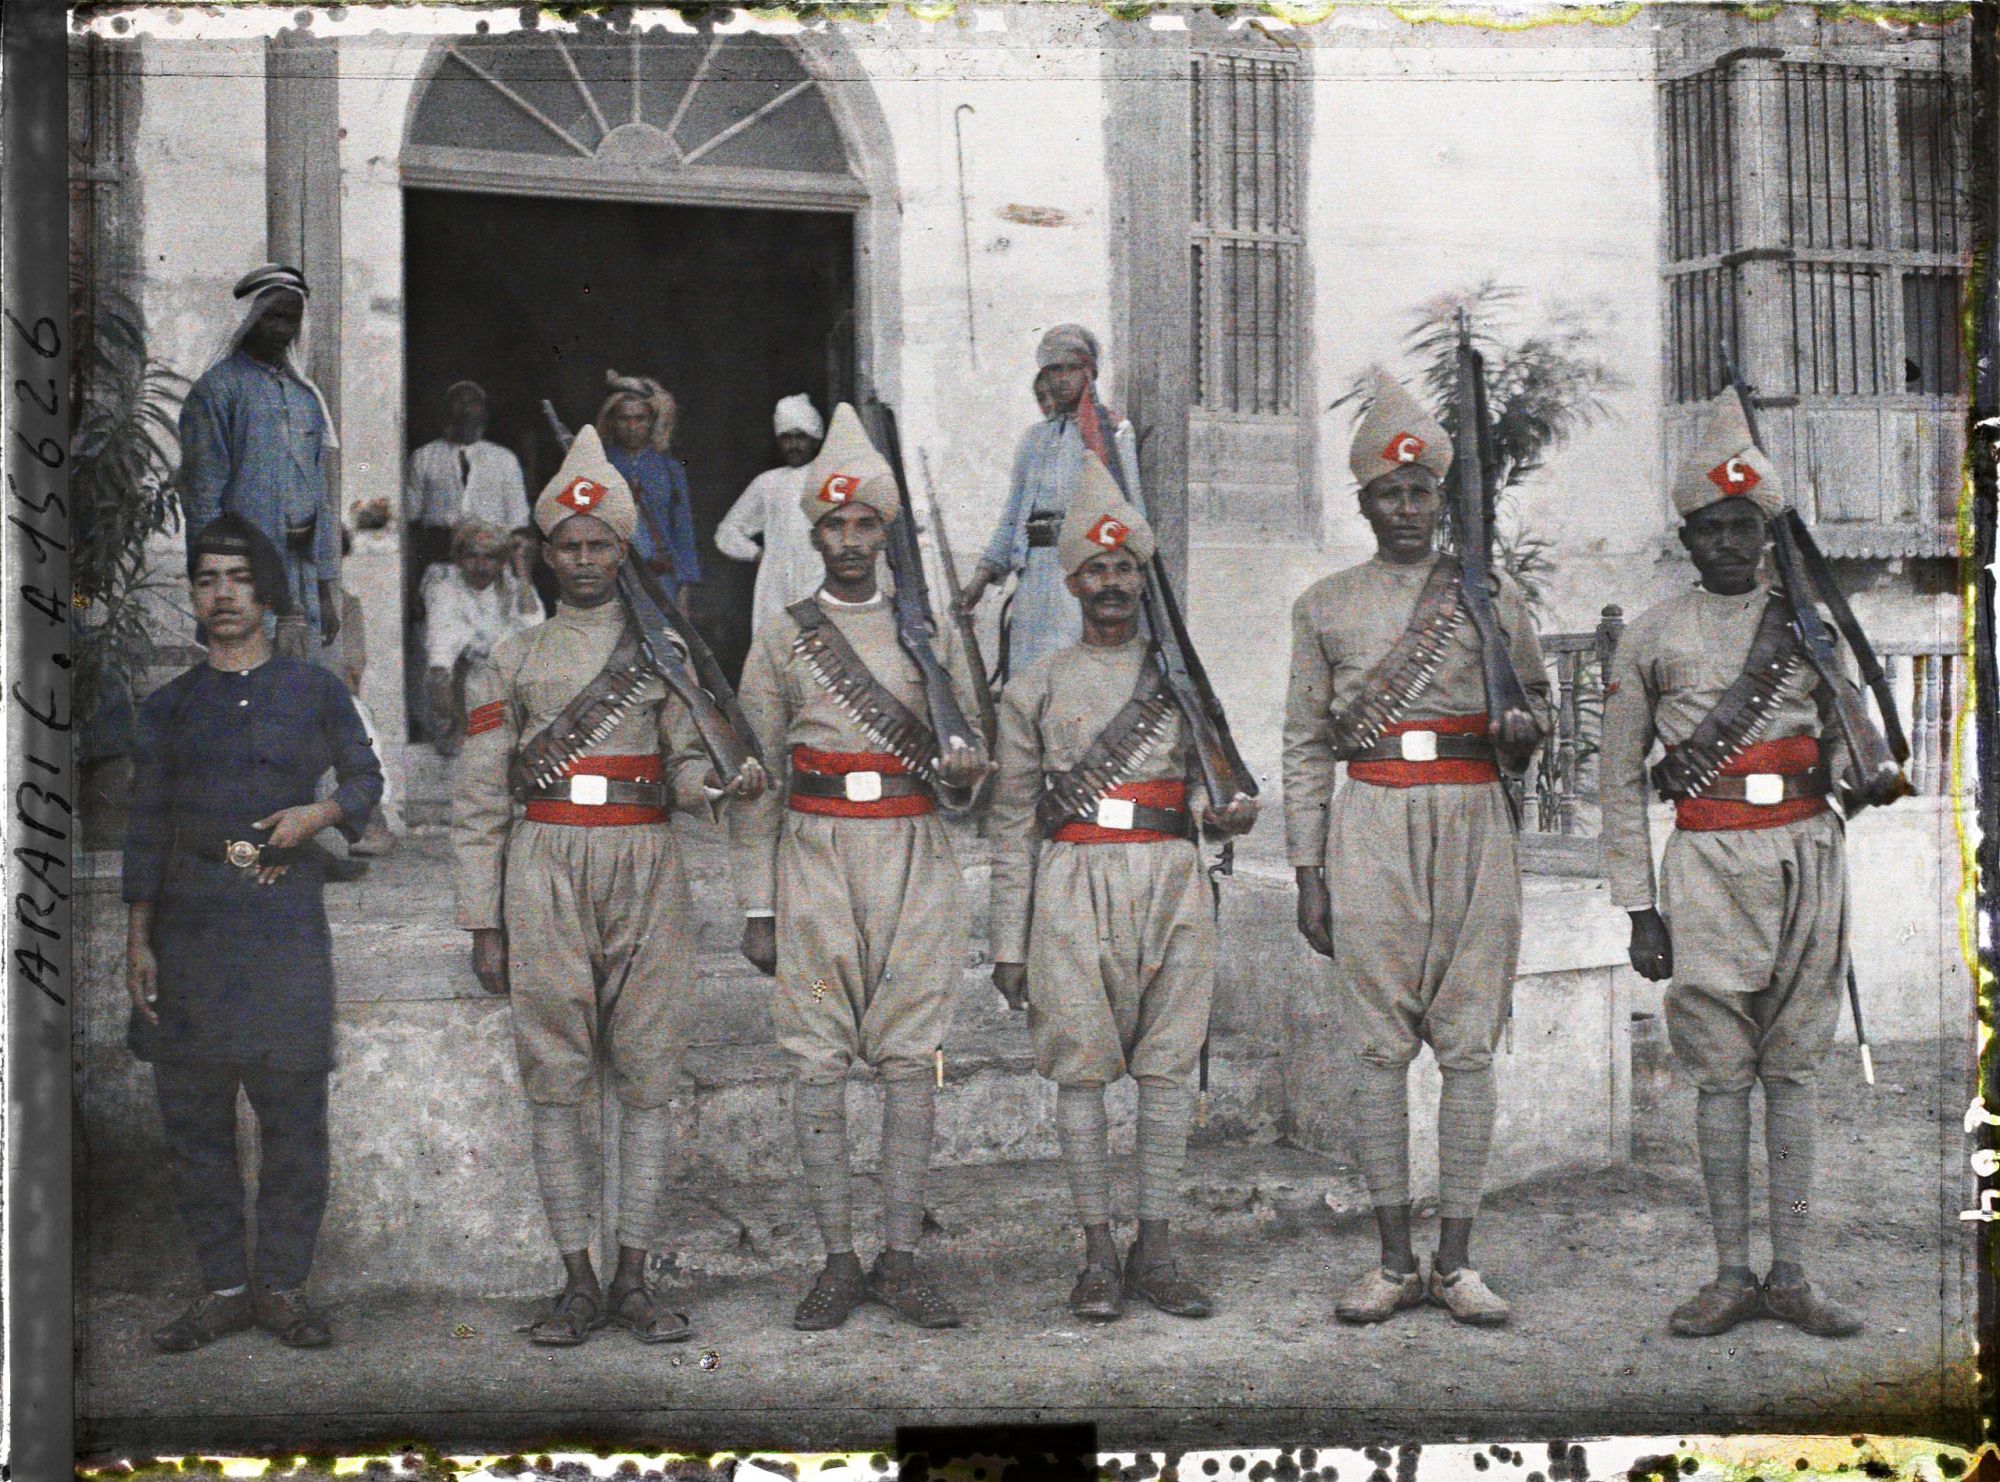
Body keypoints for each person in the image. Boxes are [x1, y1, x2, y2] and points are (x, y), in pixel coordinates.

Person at [452, 425, 763, 1347]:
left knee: (647, 1076)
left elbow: (678, 769)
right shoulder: (510, 658)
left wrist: (718, 786)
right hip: (542, 866)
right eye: (569, 546)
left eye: (601, 546)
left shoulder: (664, 653)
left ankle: (634, 1277)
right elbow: (478, 799)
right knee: (556, 1076)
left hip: (646, 867)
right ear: (542, 554)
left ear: (623, 551)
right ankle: (576, 1281)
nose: (585, 560)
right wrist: (483, 919)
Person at [1282, 372, 1551, 1328]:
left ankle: (1460, 1260)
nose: (1407, 509)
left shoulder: (1491, 595)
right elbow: (1307, 745)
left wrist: (1522, 728)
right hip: (1373, 824)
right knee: (1378, 1050)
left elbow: (1537, 711)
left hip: (1474, 817)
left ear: (1443, 498)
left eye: (1422, 491)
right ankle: (1393, 1260)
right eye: (1389, 494)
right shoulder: (1325, 606)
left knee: (1470, 1045)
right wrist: (1308, 870)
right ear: (1364, 504)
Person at [1600, 390, 1869, 1341]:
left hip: (1807, 854)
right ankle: (1728, 1271)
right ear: (1687, 539)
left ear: (1765, 531)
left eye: (1741, 526)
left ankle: (1791, 1274)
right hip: (1707, 863)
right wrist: (1639, 906)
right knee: (1721, 1073)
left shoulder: (1808, 626)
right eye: (1708, 529)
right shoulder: (1653, 634)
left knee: (1793, 1071)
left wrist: (1862, 772)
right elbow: (1617, 783)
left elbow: (1845, 747)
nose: (1726, 544)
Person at [729, 403, 989, 1333]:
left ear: (886, 531)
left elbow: (970, 765)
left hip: (915, 852)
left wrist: (960, 775)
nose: (848, 539)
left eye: (865, 522)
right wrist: (756, 904)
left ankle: (902, 1258)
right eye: (833, 523)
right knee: (818, 1063)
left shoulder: (928, 632)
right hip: (814, 854)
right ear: (814, 531)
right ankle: (838, 1259)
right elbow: (754, 780)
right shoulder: (786, 635)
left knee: (913, 1058)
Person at [988, 456, 1258, 1321]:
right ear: (1070, 581)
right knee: (1081, 1073)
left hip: (1172, 882)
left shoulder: (1182, 681)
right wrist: (1006, 939)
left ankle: (1160, 1246)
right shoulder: (1034, 684)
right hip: (1070, 885)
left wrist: (1228, 814)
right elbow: (1012, 821)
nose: (1111, 584)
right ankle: (1097, 1251)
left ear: (1144, 579)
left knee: (1169, 1070)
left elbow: (1221, 785)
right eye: (1096, 569)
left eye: (1125, 568)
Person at [124, 515, 384, 1353]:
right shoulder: (167, 708)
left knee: (292, 1116)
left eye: (239, 577)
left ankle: (281, 1289)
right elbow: (144, 827)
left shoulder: (312, 689)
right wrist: (139, 939)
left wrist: (321, 814)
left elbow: (366, 777)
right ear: (193, 595)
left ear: (267, 594)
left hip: (281, 924)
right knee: (194, 1119)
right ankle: (224, 1290)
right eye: (206, 579)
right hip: (191, 925)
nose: (223, 594)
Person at [959, 324, 1145, 682]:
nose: (1061, 379)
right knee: (1030, 681)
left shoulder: (1114, 432)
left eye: (1070, 368)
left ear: (1089, 371)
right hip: (1035, 580)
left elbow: (1131, 512)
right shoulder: (1035, 440)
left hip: (1084, 578)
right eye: (1052, 370)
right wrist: (979, 581)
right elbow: (1012, 518)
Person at [178, 263, 344, 663]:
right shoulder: (217, 391)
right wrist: (217, 583)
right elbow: (203, 498)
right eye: (270, 315)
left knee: (297, 689)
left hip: (300, 574)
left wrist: (324, 587)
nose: (280, 327)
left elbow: (319, 497)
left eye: (291, 317)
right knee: (244, 676)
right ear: (248, 318)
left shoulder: (305, 397)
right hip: (244, 569)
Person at [421, 518, 544, 756]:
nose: (480, 565)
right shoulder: (446, 589)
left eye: (490, 557)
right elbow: (442, 647)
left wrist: (521, 570)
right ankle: (461, 727)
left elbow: (533, 622)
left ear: (501, 562)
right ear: (459, 559)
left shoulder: (511, 585)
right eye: (472, 556)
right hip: (464, 686)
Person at [714, 394, 827, 639]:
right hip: (778, 585)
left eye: (801, 437)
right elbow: (727, 531)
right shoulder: (769, 483)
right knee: (777, 650)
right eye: (786, 437)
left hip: (821, 579)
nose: (794, 445)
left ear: (815, 439)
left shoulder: (830, 478)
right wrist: (757, 554)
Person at [405, 380, 532, 596]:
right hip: (441, 564)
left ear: (484, 412)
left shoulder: (504, 459)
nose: (465, 408)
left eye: (473, 402)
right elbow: (411, 517)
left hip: (492, 567)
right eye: (458, 402)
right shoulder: (424, 457)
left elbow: (518, 523)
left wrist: (522, 583)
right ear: (446, 411)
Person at [596, 371, 703, 609]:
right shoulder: (597, 466)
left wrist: (683, 591)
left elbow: (682, 529)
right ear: (612, 420)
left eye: (640, 418)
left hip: (659, 578)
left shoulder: (670, 469)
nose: (632, 426)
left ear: (652, 421)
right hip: (611, 580)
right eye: (624, 419)